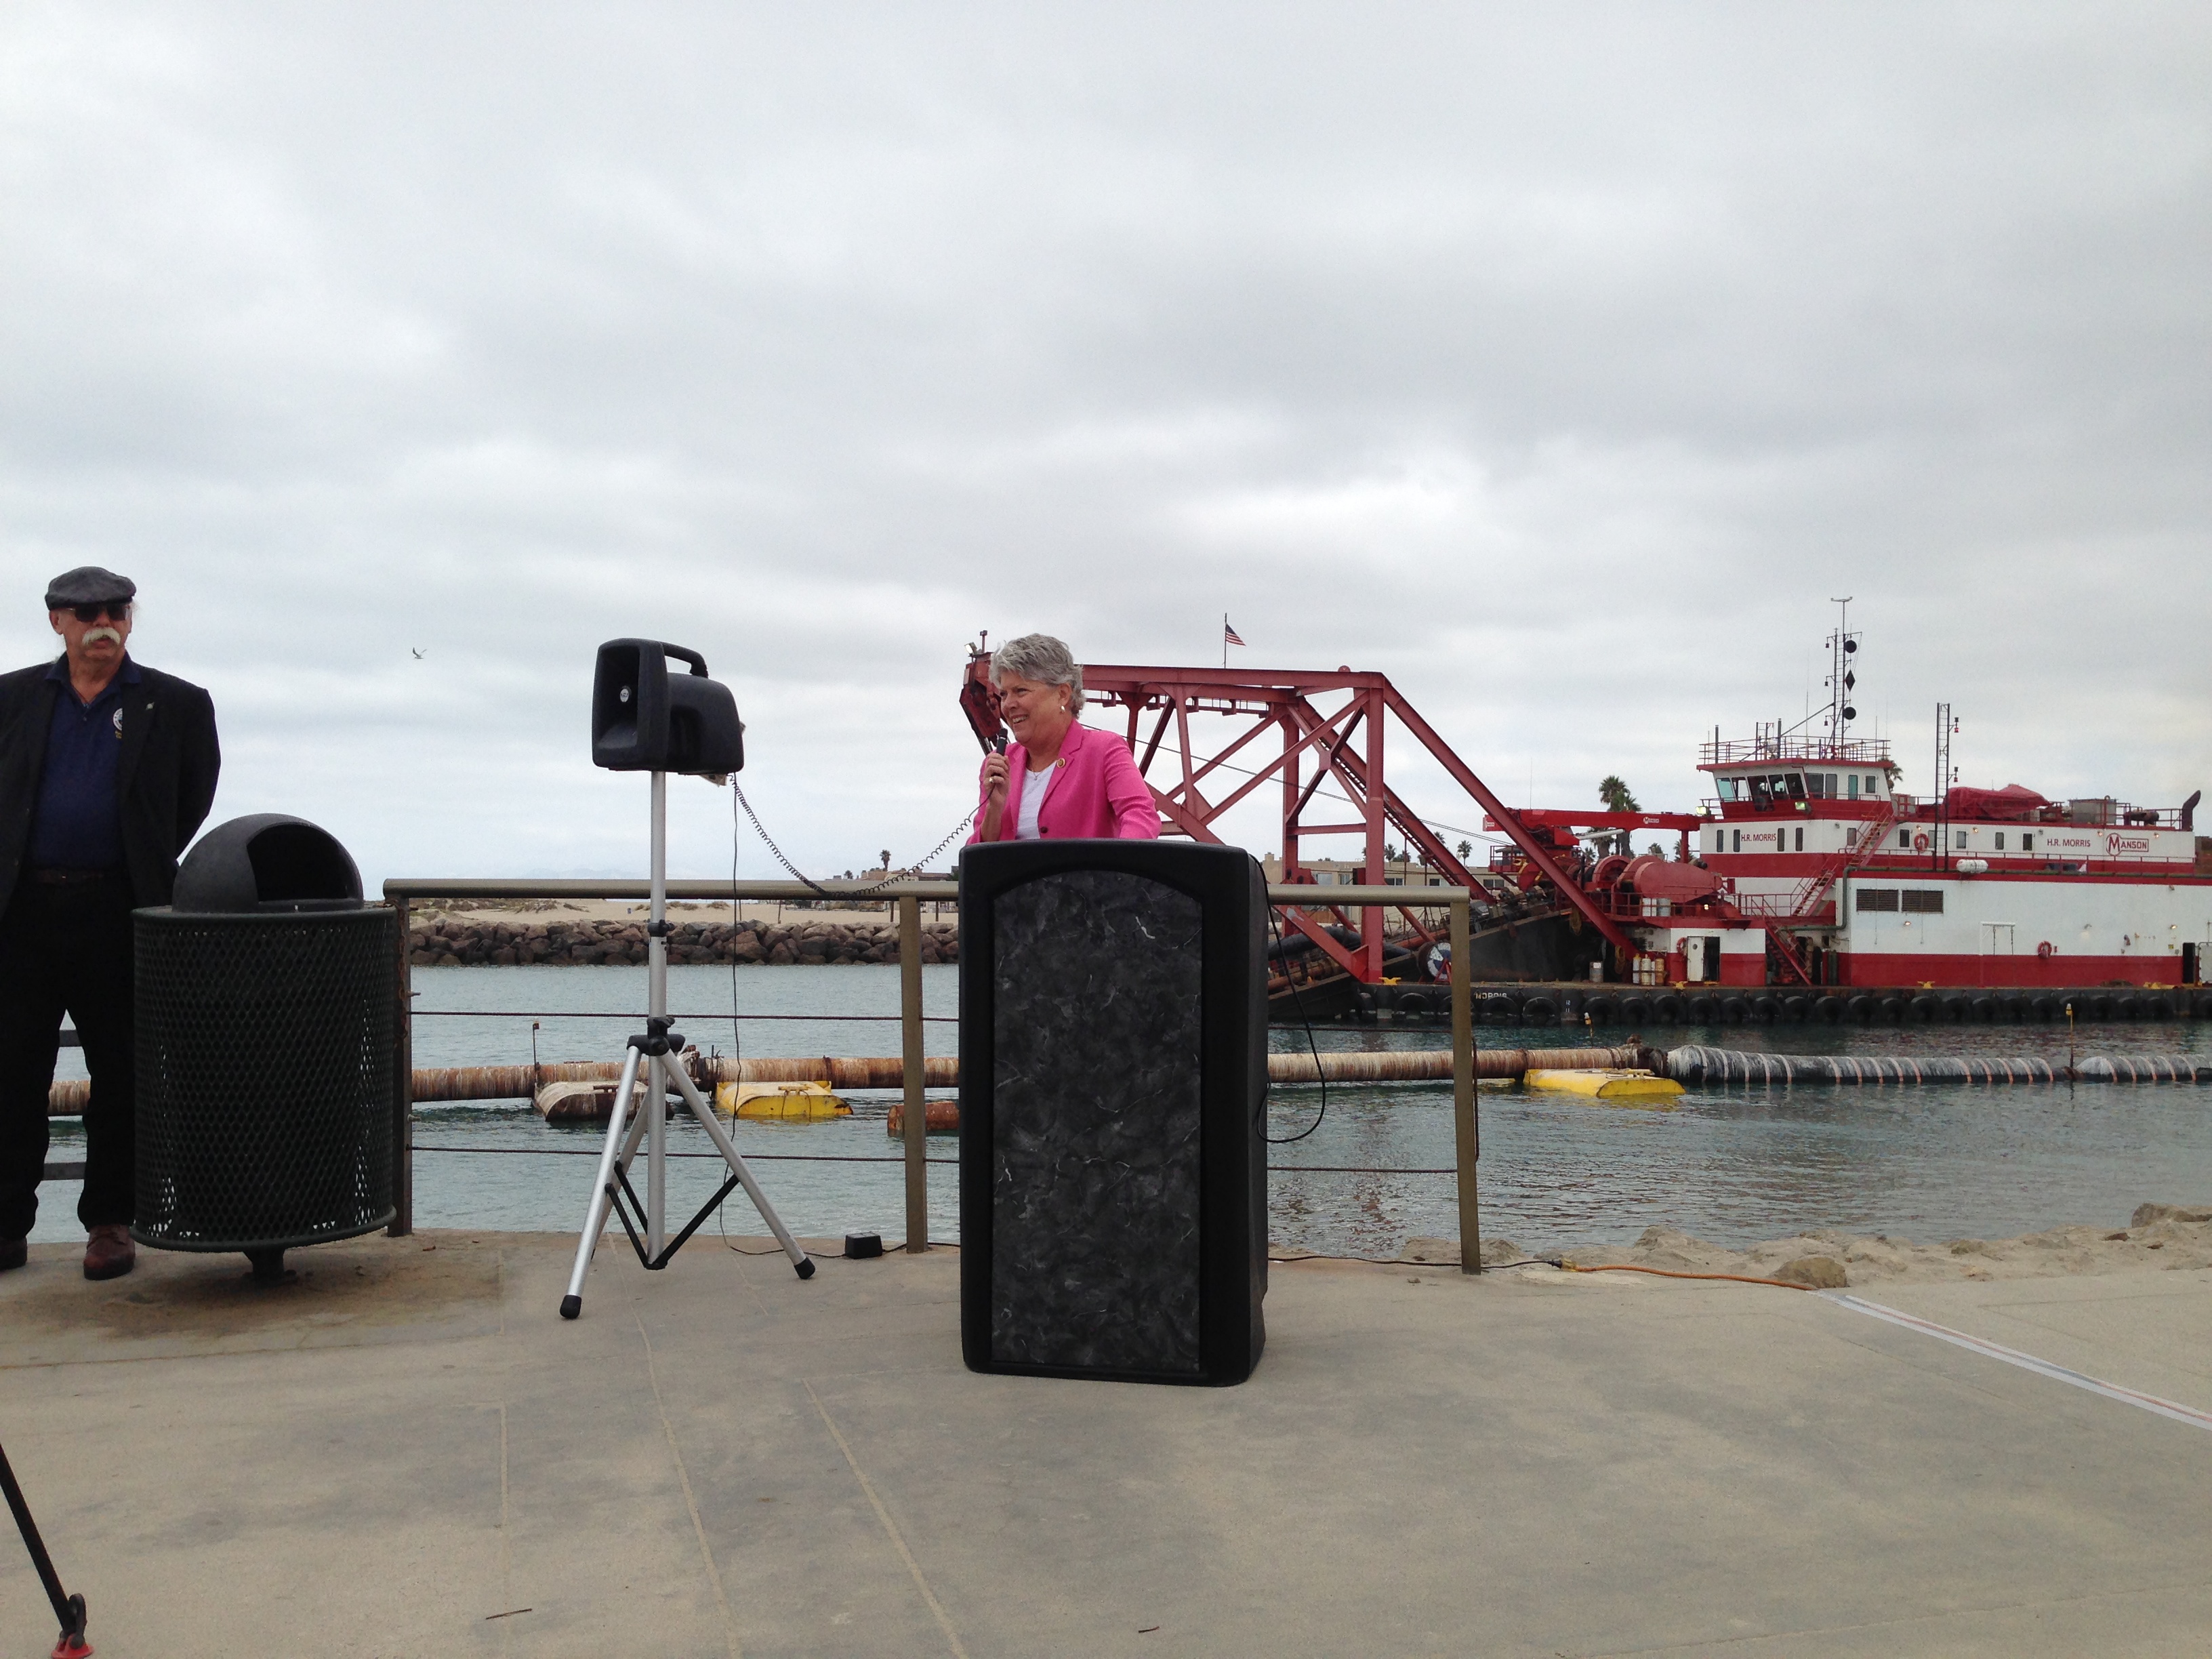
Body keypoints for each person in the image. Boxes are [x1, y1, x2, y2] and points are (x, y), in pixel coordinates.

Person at [0, 569, 220, 1279]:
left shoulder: (178, 704)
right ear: (57, 622)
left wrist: (137, 860)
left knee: (122, 1075)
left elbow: (192, 797)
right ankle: (5, 1225)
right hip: (21, 913)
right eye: (88, 611)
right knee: (11, 1075)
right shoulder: (10, 699)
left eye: (117, 609)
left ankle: (109, 1224)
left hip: (120, 911)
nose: (105, 622)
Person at [969, 634, 1158, 844]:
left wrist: (1119, 869)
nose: (1008, 704)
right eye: (1004, 694)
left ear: (1062, 694)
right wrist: (994, 810)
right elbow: (978, 858)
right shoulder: (997, 764)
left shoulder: (1104, 749)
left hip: (1086, 877)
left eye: (1020, 691)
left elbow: (1140, 815)